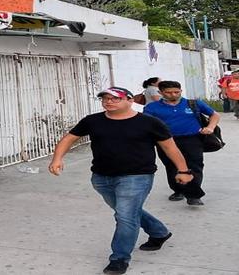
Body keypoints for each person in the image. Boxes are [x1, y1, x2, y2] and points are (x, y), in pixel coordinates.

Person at [49, 86, 194, 274]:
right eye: (105, 98)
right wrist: (57, 159)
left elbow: (170, 148)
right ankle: (159, 233)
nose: (109, 102)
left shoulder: (149, 122)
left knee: (125, 217)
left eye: (115, 98)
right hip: (101, 177)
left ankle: (119, 259)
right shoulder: (93, 121)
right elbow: (69, 138)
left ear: (130, 100)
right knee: (128, 212)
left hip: (137, 177)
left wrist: (183, 170)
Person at [143, 80, 221, 206]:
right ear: (160, 92)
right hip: (166, 141)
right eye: (168, 92)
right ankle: (178, 190)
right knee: (172, 166)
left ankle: (193, 195)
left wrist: (210, 127)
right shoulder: (152, 108)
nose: (173, 95)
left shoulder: (192, 104)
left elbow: (214, 115)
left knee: (195, 165)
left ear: (181, 91)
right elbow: (147, 124)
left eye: (176, 92)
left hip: (193, 139)